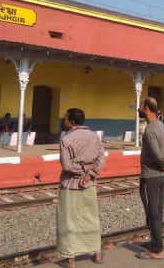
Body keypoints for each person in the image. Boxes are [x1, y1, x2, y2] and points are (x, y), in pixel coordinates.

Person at [57, 108, 105, 268]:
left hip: (70, 184)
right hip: (89, 183)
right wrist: (89, 174)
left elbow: (66, 165)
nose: (64, 121)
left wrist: (81, 171)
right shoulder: (94, 137)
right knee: (91, 218)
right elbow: (101, 158)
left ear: (71, 122)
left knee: (68, 221)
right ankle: (97, 252)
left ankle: (70, 259)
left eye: (65, 119)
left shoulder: (66, 139)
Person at [136, 97, 164, 260]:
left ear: (146, 108)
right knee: (157, 210)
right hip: (159, 177)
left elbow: (157, 155)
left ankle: (157, 249)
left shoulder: (150, 130)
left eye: (141, 106)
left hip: (150, 175)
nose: (139, 109)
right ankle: (154, 242)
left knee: (152, 212)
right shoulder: (162, 127)